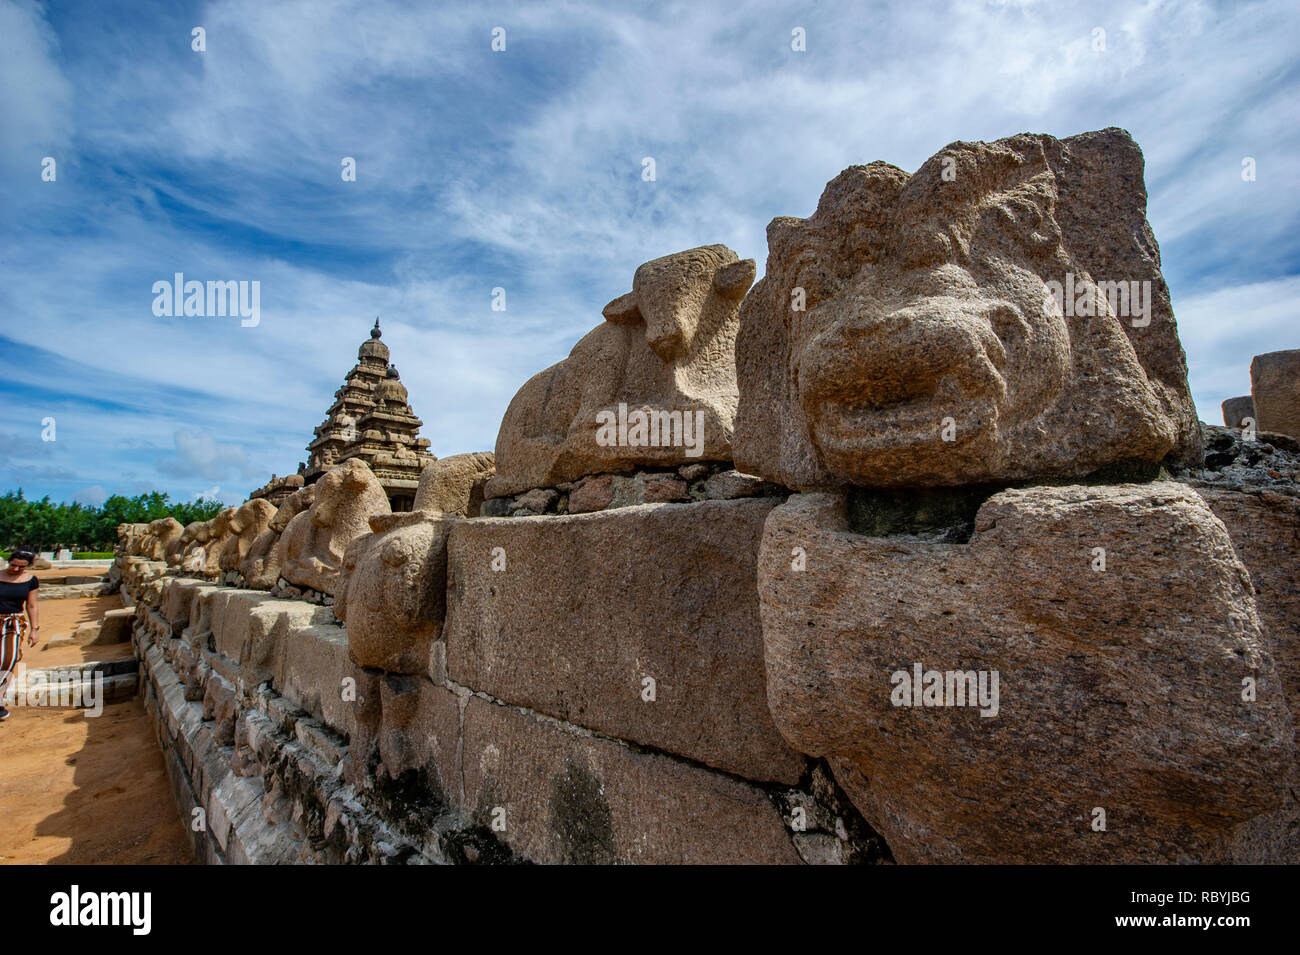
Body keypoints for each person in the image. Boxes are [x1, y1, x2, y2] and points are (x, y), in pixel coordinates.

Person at [0, 547, 41, 720]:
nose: (15, 569)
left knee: (8, 660)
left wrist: (34, 629)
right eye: (13, 565)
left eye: (21, 567)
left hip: (13, 623)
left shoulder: (31, 580)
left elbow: (31, 605)